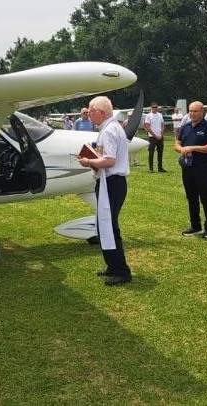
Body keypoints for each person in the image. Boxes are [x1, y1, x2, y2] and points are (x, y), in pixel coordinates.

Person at [76, 96, 132, 286]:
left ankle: (121, 271)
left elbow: (109, 161)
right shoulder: (110, 128)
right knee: (104, 225)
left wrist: (88, 161)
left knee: (108, 226)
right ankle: (112, 266)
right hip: (111, 182)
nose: (88, 114)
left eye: (91, 111)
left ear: (101, 112)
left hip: (111, 183)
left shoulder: (109, 130)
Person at [175, 101, 207, 239]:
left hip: (203, 168)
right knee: (191, 197)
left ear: (202, 112)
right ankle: (195, 226)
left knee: (205, 197)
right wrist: (182, 149)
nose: (192, 114)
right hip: (188, 168)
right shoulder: (185, 127)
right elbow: (177, 144)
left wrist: (192, 148)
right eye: (190, 111)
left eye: (195, 111)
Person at [143, 102, 166, 172]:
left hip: (160, 136)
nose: (154, 108)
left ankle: (160, 168)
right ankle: (151, 169)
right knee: (151, 152)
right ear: (151, 108)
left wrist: (161, 134)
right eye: (153, 107)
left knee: (160, 152)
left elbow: (162, 124)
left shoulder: (160, 115)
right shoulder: (148, 116)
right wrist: (155, 135)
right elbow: (148, 127)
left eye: (156, 107)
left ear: (157, 108)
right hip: (152, 137)